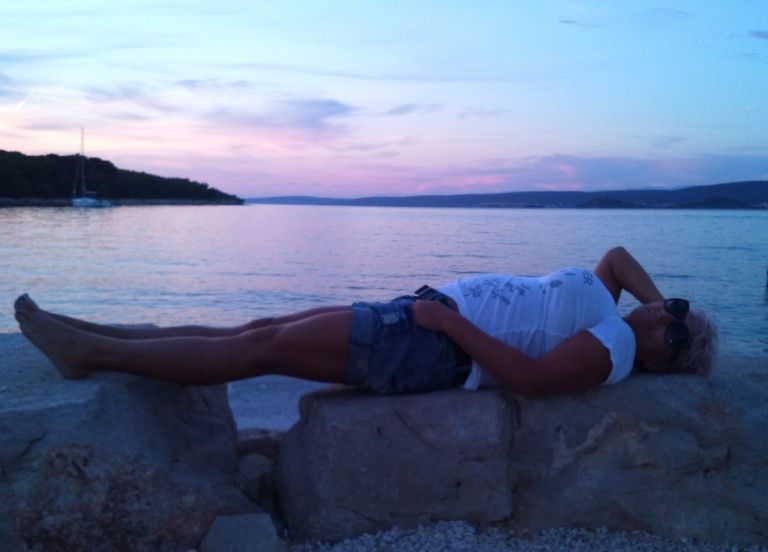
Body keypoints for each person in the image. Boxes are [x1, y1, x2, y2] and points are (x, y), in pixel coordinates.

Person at [14, 246, 716, 396]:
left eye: (675, 332)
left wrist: (449, 327)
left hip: (430, 346)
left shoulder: (615, 350)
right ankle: (100, 335)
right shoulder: (611, 308)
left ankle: (90, 354)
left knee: (261, 348)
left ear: (663, 360)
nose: (666, 316)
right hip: (421, 316)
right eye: (675, 310)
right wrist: (662, 305)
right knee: (256, 326)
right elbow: (617, 258)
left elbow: (530, 379)